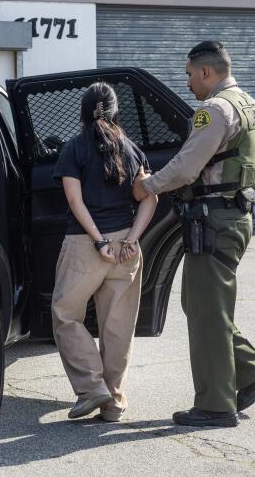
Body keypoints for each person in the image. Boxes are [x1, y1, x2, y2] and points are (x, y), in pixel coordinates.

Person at [132, 41, 255, 428]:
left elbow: (185, 167)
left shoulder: (214, 110)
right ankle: (250, 373)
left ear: (206, 72)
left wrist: (148, 186)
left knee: (206, 312)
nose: (187, 82)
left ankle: (216, 405)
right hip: (237, 214)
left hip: (213, 219)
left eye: (189, 74)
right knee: (205, 306)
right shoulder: (251, 105)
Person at [51, 82, 158, 423]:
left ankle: (91, 387)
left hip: (86, 245)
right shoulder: (132, 149)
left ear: (83, 112)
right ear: (116, 112)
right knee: (118, 326)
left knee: (66, 315)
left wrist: (98, 241)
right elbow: (150, 197)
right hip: (126, 246)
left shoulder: (74, 148)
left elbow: (73, 200)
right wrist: (131, 239)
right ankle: (113, 401)